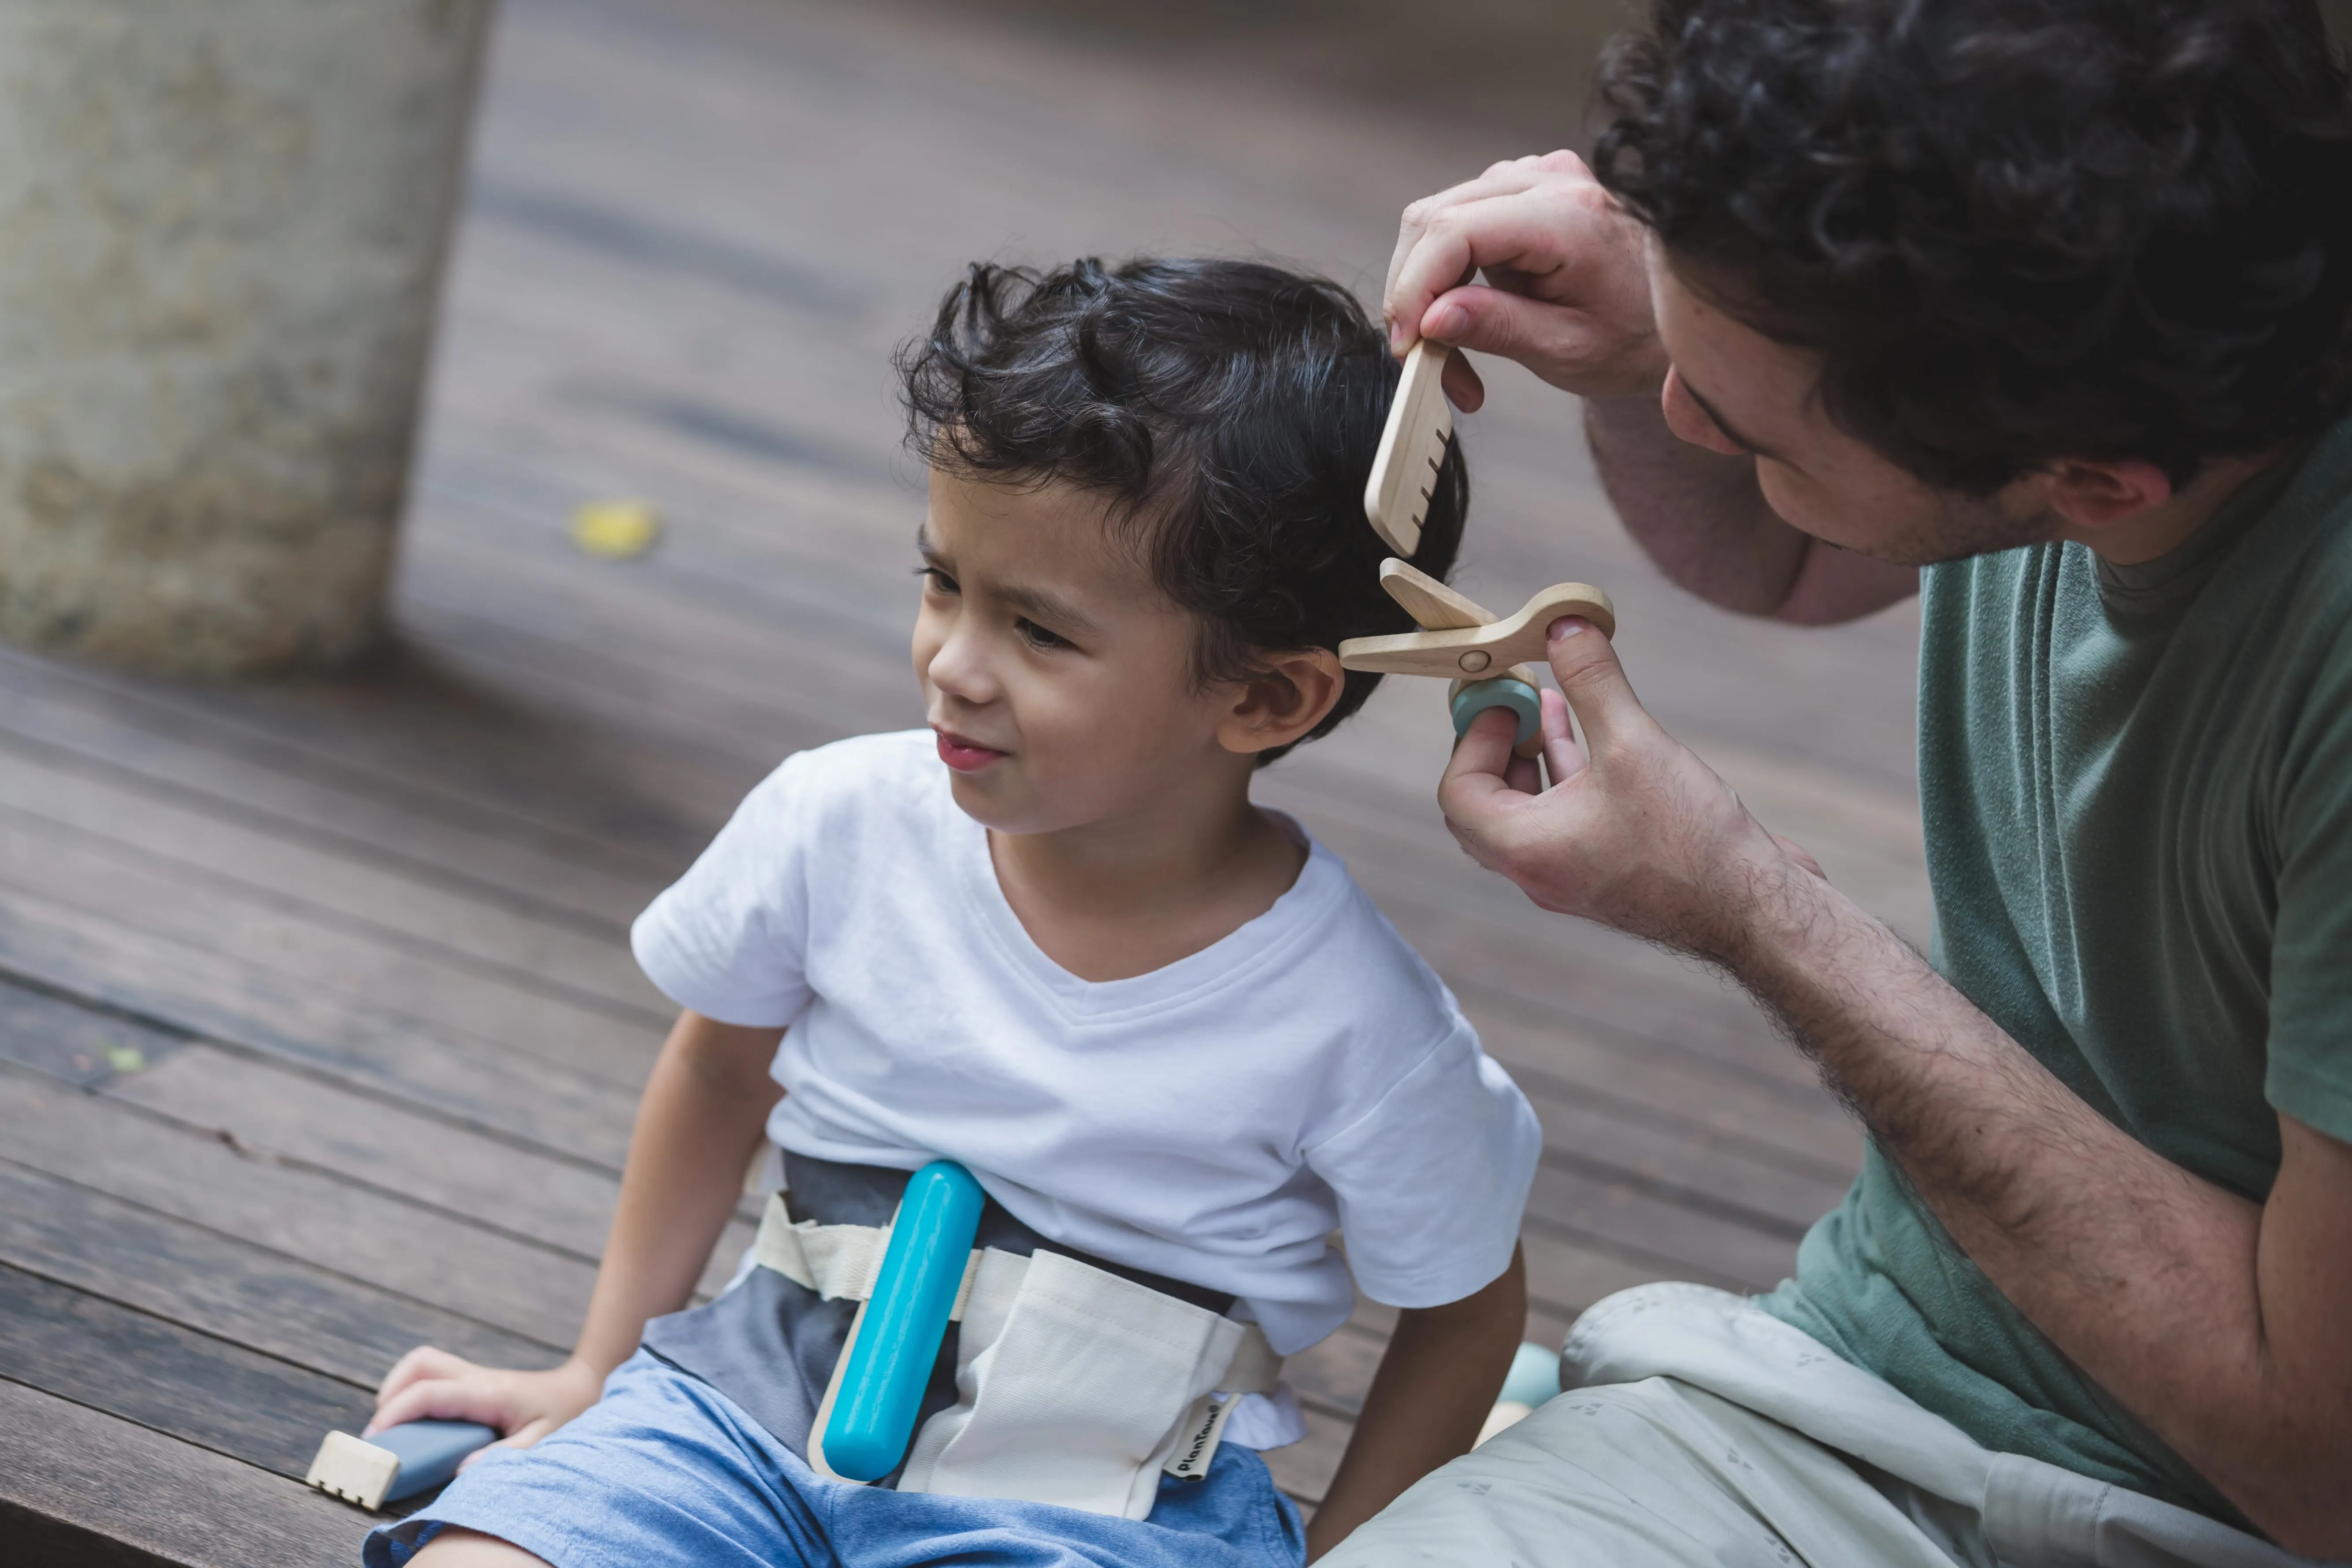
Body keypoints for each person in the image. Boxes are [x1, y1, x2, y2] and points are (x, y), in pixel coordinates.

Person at [1328, 1, 2352, 1564]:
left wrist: (1751, 907)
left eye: (1745, 425)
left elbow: (2317, 1461)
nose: (1685, 408)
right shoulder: (2103, 347)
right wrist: (1669, 334)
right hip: (1852, 1394)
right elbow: (1800, 551)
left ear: (2090, 486)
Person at [356, 257, 1542, 1568]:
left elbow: (1465, 1308)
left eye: (1039, 632)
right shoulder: (837, 820)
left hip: (1096, 1506)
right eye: (943, 584)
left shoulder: (1359, 1023)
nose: (952, 664)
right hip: (738, 1420)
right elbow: (717, 1062)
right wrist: (597, 1367)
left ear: (1266, 699)